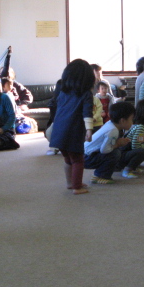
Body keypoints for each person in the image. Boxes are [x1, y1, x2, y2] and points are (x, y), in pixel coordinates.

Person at [49, 59, 95, 194]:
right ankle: (77, 187)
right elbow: (87, 113)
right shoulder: (86, 94)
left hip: (57, 132)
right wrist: (89, 130)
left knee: (68, 159)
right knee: (78, 160)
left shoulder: (63, 92)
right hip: (72, 132)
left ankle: (71, 183)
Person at [84, 102, 134, 183]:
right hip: (86, 158)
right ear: (122, 121)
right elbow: (104, 150)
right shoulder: (113, 130)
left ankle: (101, 174)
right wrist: (118, 144)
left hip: (84, 155)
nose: (132, 122)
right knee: (115, 153)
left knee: (115, 151)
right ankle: (100, 176)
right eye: (131, 119)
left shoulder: (110, 124)